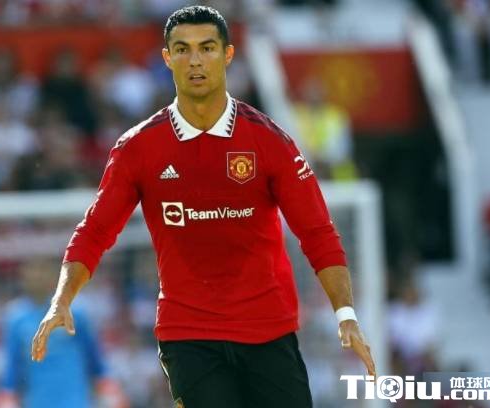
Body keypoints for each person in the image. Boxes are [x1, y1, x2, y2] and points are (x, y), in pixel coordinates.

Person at [32, 6, 375, 407]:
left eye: (207, 48)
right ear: (167, 58)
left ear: (227, 55)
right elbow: (94, 231)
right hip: (188, 335)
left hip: (268, 329)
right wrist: (61, 300)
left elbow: (317, 232)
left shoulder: (269, 141)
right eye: (183, 49)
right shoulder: (138, 148)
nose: (195, 60)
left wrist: (345, 314)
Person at [0, 258, 128, 408]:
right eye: (32, 269)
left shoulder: (76, 311)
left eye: (43, 269)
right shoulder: (16, 318)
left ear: (55, 274)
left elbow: (95, 360)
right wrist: (6, 397)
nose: (37, 275)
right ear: (23, 276)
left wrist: (110, 390)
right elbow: (11, 370)